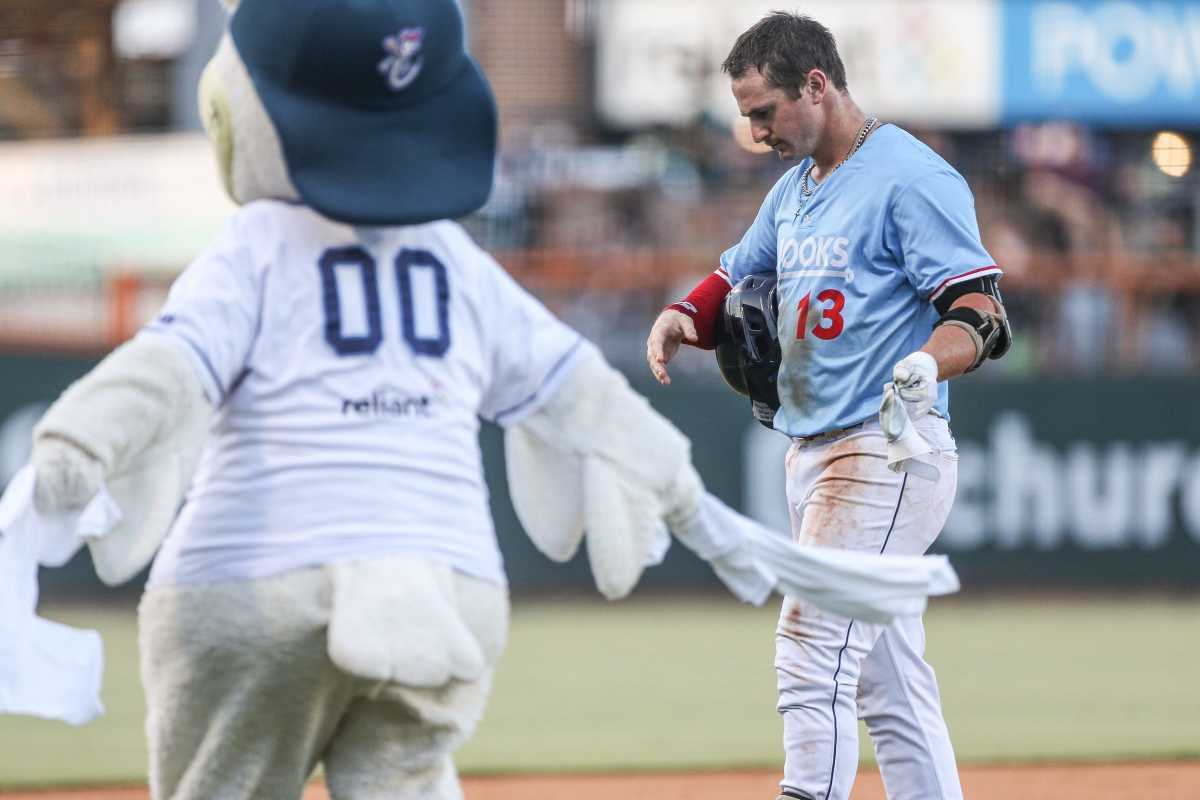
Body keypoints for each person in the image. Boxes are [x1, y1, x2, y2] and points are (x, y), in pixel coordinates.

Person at [27, 1, 836, 797]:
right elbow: (579, 389)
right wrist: (675, 480)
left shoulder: (256, 243)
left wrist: (75, 444)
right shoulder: (452, 256)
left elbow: (167, 369)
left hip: (255, 577)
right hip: (442, 588)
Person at [646, 13, 1010, 800]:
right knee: (887, 679)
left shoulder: (912, 176)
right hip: (813, 449)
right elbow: (737, 273)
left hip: (884, 448)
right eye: (747, 115)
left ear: (816, 85)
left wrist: (924, 360)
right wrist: (686, 313)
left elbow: (981, 312)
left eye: (763, 111)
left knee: (811, 644)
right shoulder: (795, 191)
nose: (753, 131)